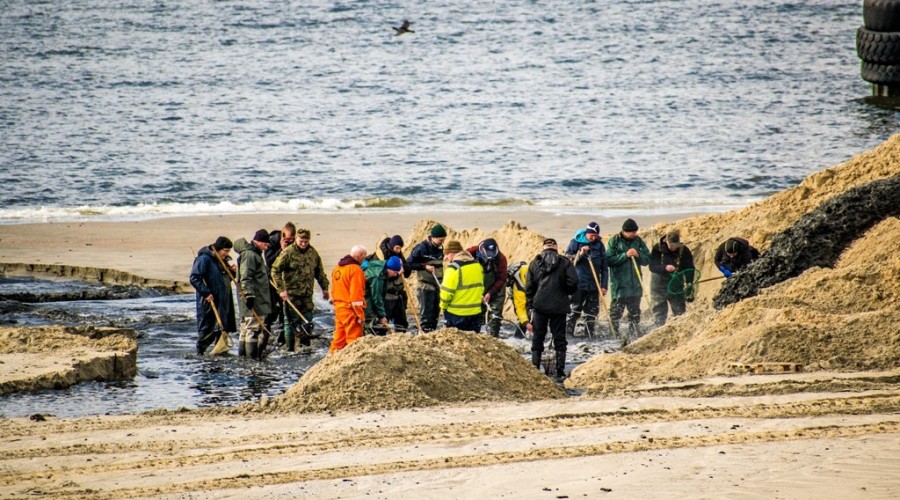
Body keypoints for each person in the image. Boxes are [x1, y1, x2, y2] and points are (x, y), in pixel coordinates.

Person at [526, 238, 579, 382]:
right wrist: (565, 292)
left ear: (544, 248)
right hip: (559, 307)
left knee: (538, 338)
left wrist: (532, 303)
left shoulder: (534, 263)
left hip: (540, 307)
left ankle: (534, 369)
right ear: (556, 247)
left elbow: (529, 288)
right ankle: (560, 372)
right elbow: (573, 282)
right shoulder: (565, 262)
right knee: (560, 339)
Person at [271, 228, 330, 351]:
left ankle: (305, 347)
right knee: (290, 323)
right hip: (291, 295)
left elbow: (319, 272)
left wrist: (325, 288)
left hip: (307, 295)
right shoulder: (288, 253)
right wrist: (281, 289)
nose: (303, 244)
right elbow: (275, 271)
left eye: (306, 241)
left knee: (307, 320)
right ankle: (290, 349)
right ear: (296, 239)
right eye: (301, 241)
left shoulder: (313, 253)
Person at [189, 236, 237, 355]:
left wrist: (232, 273)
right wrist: (206, 292)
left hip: (222, 302)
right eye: (225, 251)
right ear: (218, 249)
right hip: (210, 302)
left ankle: (219, 355)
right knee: (207, 331)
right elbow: (194, 278)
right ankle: (199, 356)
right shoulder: (204, 259)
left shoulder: (221, 261)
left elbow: (223, 279)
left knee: (222, 330)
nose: (227, 254)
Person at [606, 218, 651, 343]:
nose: (633, 234)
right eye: (630, 232)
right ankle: (614, 337)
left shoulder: (638, 241)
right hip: (619, 285)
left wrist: (638, 254)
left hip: (635, 285)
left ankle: (634, 336)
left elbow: (647, 259)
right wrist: (624, 255)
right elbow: (609, 260)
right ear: (624, 231)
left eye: (635, 232)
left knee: (635, 314)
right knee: (615, 314)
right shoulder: (614, 241)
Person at [564, 222, 609, 338]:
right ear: (586, 233)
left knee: (592, 311)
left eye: (595, 236)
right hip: (578, 283)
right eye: (591, 236)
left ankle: (590, 334)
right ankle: (568, 334)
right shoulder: (575, 242)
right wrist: (580, 253)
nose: (593, 238)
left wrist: (604, 286)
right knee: (574, 309)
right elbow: (567, 260)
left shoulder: (599, 245)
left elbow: (604, 268)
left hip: (594, 284)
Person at [233, 229, 273, 359]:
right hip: (254, 299)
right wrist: (249, 295)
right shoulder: (251, 255)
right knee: (252, 329)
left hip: (251, 298)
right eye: (265, 244)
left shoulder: (253, 253)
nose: (267, 247)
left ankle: (243, 358)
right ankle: (252, 360)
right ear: (259, 241)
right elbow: (246, 276)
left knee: (245, 328)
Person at [649, 230, 695, 327]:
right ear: (666, 241)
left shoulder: (684, 250)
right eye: (672, 245)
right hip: (658, 287)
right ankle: (659, 331)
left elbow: (689, 268)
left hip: (676, 286)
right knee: (659, 315)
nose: (674, 248)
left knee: (680, 313)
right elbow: (652, 267)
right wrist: (665, 267)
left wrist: (689, 283)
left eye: (676, 245)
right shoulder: (657, 249)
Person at [439, 240, 484, 332]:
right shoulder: (477, 266)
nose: (446, 257)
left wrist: (443, 306)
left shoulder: (453, 269)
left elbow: (446, 294)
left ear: (453, 252)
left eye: (447, 254)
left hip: (456, 315)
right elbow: (481, 288)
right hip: (475, 314)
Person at [466, 238, 508, 337]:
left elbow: (502, 279)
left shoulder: (501, 258)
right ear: (482, 250)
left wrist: (490, 292)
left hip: (496, 287)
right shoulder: (471, 252)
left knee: (495, 316)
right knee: (476, 313)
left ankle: (493, 337)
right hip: (477, 286)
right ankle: (475, 335)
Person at [408, 224, 446, 332]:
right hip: (425, 285)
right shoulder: (421, 248)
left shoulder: (440, 248)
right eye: (440, 240)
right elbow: (409, 264)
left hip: (438, 284)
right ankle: (425, 332)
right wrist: (424, 266)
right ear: (433, 237)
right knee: (427, 313)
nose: (442, 242)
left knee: (435, 313)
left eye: (443, 240)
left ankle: (432, 331)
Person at [370, 235, 412, 332]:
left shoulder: (398, 254)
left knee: (401, 322)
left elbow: (407, 272)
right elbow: (381, 274)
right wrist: (397, 274)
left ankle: (402, 339)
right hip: (387, 294)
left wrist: (403, 265)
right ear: (392, 245)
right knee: (384, 322)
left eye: (400, 248)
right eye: (397, 248)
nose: (398, 250)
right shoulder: (379, 256)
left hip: (399, 294)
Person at [330, 245, 367, 354]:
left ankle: (330, 361)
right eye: (364, 258)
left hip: (339, 309)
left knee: (338, 341)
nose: (363, 260)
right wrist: (360, 315)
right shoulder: (356, 270)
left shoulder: (337, 268)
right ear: (360, 256)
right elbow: (356, 296)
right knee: (353, 340)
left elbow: (334, 290)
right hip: (350, 310)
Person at [263, 222, 296, 335]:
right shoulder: (271, 241)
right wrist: (281, 250)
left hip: (286, 278)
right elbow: (269, 261)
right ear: (282, 235)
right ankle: (267, 328)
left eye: (292, 240)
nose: (290, 242)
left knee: (285, 305)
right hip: (271, 278)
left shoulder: (294, 243)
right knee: (272, 306)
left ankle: (283, 329)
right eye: (288, 239)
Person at [363, 256, 404, 335]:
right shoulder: (378, 277)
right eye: (395, 273)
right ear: (390, 269)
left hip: (366, 294)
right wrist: (381, 316)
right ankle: (367, 337)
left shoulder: (382, 265)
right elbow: (377, 298)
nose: (395, 275)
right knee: (369, 319)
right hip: (365, 297)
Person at [507, 261, 531, 338]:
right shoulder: (519, 286)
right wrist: (526, 322)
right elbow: (520, 307)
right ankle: (518, 337)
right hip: (519, 295)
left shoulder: (539, 274)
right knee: (525, 317)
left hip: (530, 292)